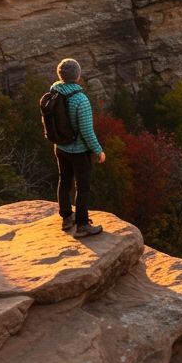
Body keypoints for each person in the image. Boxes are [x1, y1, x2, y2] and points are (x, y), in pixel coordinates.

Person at [51, 58, 106, 237]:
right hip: (79, 152)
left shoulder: (54, 92)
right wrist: (98, 150)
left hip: (60, 147)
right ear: (78, 75)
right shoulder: (80, 99)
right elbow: (87, 132)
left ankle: (67, 218)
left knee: (64, 181)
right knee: (83, 187)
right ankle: (82, 225)